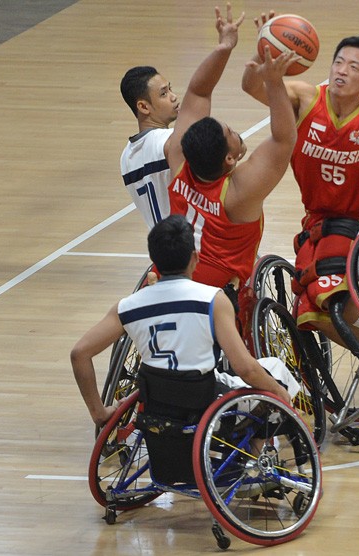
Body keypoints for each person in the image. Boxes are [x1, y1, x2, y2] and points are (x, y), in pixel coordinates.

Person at [241, 18, 359, 389]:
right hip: (319, 221)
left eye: (354, 67)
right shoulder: (305, 97)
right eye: (339, 62)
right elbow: (252, 87)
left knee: (330, 299)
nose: (342, 71)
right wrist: (264, 59)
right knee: (310, 310)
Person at [71, 215, 295, 427]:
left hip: (156, 407)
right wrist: (278, 391)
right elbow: (246, 369)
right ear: (195, 258)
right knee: (275, 372)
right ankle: (255, 459)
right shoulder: (213, 300)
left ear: (153, 260)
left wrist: (99, 413)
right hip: (206, 409)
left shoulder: (127, 306)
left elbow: (79, 354)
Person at [166, 3, 298, 296]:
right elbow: (284, 139)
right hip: (214, 291)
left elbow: (198, 91)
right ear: (229, 158)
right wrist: (274, 83)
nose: (233, 129)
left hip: (167, 277)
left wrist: (225, 47)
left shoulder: (178, 157)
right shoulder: (238, 194)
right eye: (230, 133)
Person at [119, 65, 179, 229]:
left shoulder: (126, 158)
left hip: (162, 250)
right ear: (143, 106)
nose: (173, 97)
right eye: (163, 93)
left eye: (170, 89)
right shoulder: (170, 140)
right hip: (195, 248)